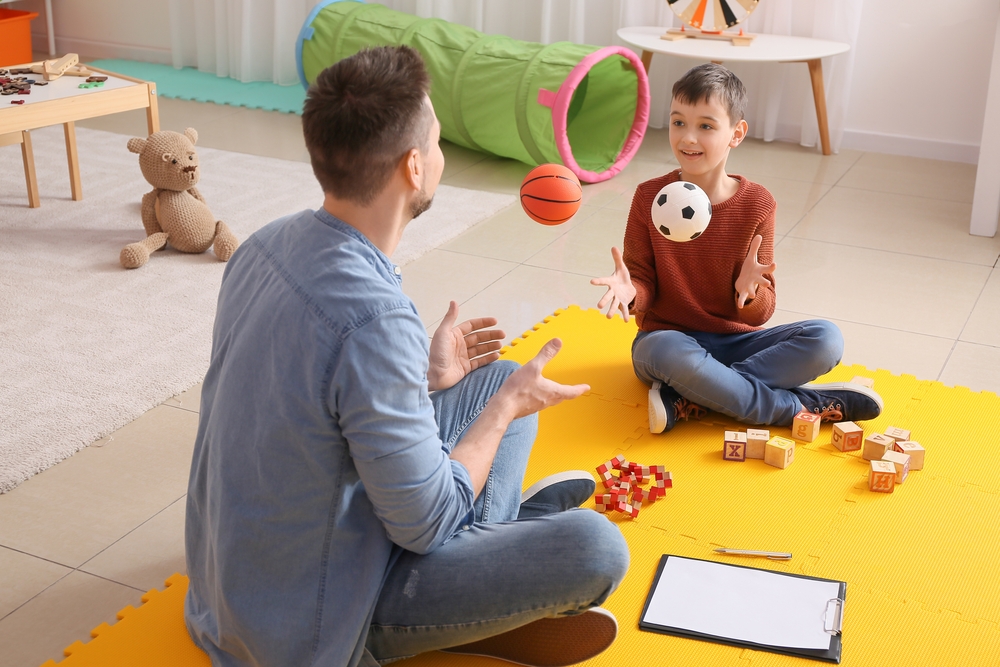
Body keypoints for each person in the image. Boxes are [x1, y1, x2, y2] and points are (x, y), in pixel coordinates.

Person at [184, 46, 630, 667]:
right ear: (414, 167)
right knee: (594, 548)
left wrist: (426, 377)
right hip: (311, 624)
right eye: (440, 144)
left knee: (494, 374)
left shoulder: (263, 244)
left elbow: (308, 399)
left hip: (228, 585)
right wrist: (501, 412)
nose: (443, 157)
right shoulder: (374, 317)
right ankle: (481, 591)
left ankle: (501, 557)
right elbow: (428, 524)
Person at [591, 63, 883, 433]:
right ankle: (796, 407)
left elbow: (760, 315)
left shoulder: (758, 203)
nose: (688, 138)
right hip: (668, 344)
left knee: (826, 339)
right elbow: (643, 280)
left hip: (737, 343)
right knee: (661, 350)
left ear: (736, 133)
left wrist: (749, 293)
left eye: (706, 126)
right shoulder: (650, 196)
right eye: (679, 122)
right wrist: (633, 291)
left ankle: (695, 395)